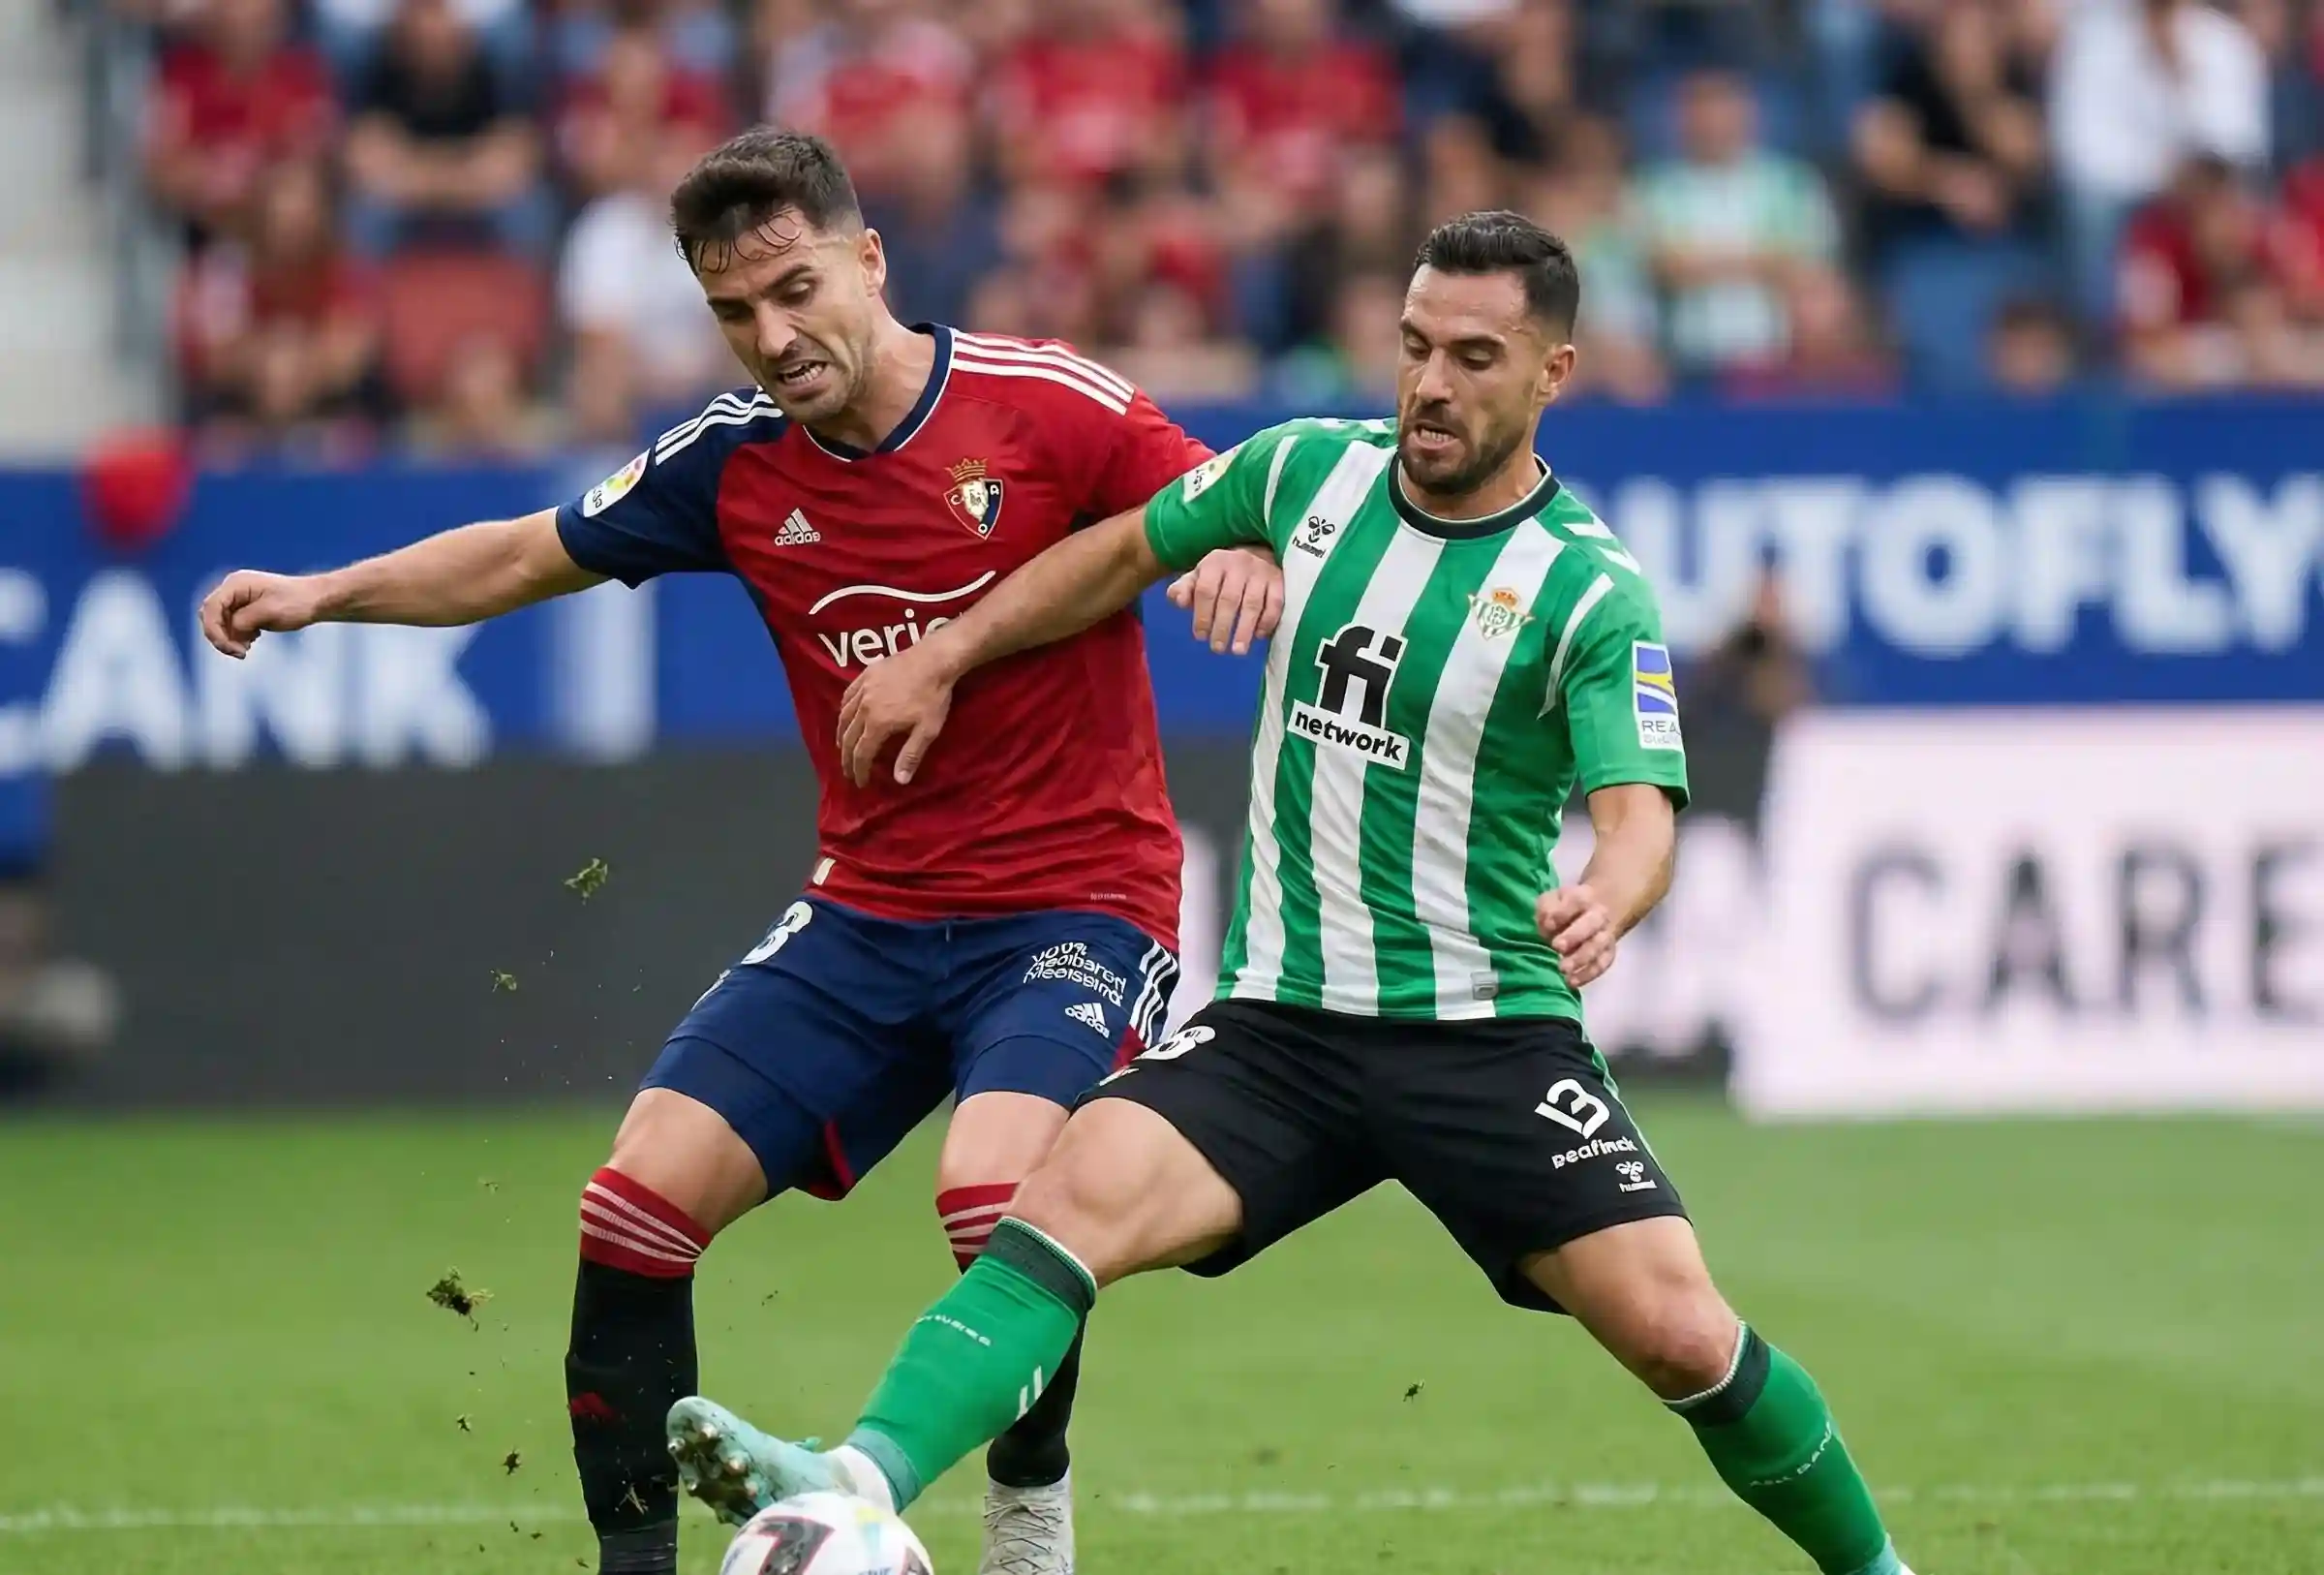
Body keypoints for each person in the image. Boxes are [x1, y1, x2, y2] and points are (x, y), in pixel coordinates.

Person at [668, 210, 1918, 1575]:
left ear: (1553, 373)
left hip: (1485, 1032)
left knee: (1682, 1330)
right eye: (1416, 347)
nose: (1432, 383)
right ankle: (849, 1481)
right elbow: (1120, 549)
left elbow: (1639, 815)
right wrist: (948, 652)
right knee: (1058, 1205)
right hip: (1282, 1026)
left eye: (1475, 357)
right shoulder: (1306, 471)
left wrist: (1612, 896)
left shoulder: (1587, 589)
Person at [195, 127, 1282, 1575]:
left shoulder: (1041, 403)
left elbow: (1234, 494)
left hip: (1078, 904)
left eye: (793, 289)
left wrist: (1248, 545)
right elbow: (528, 551)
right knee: (634, 1202)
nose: (772, 337)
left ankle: (1029, 1496)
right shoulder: (734, 461)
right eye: (731, 311)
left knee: (995, 1193)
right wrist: (328, 589)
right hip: (871, 913)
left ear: (869, 260)